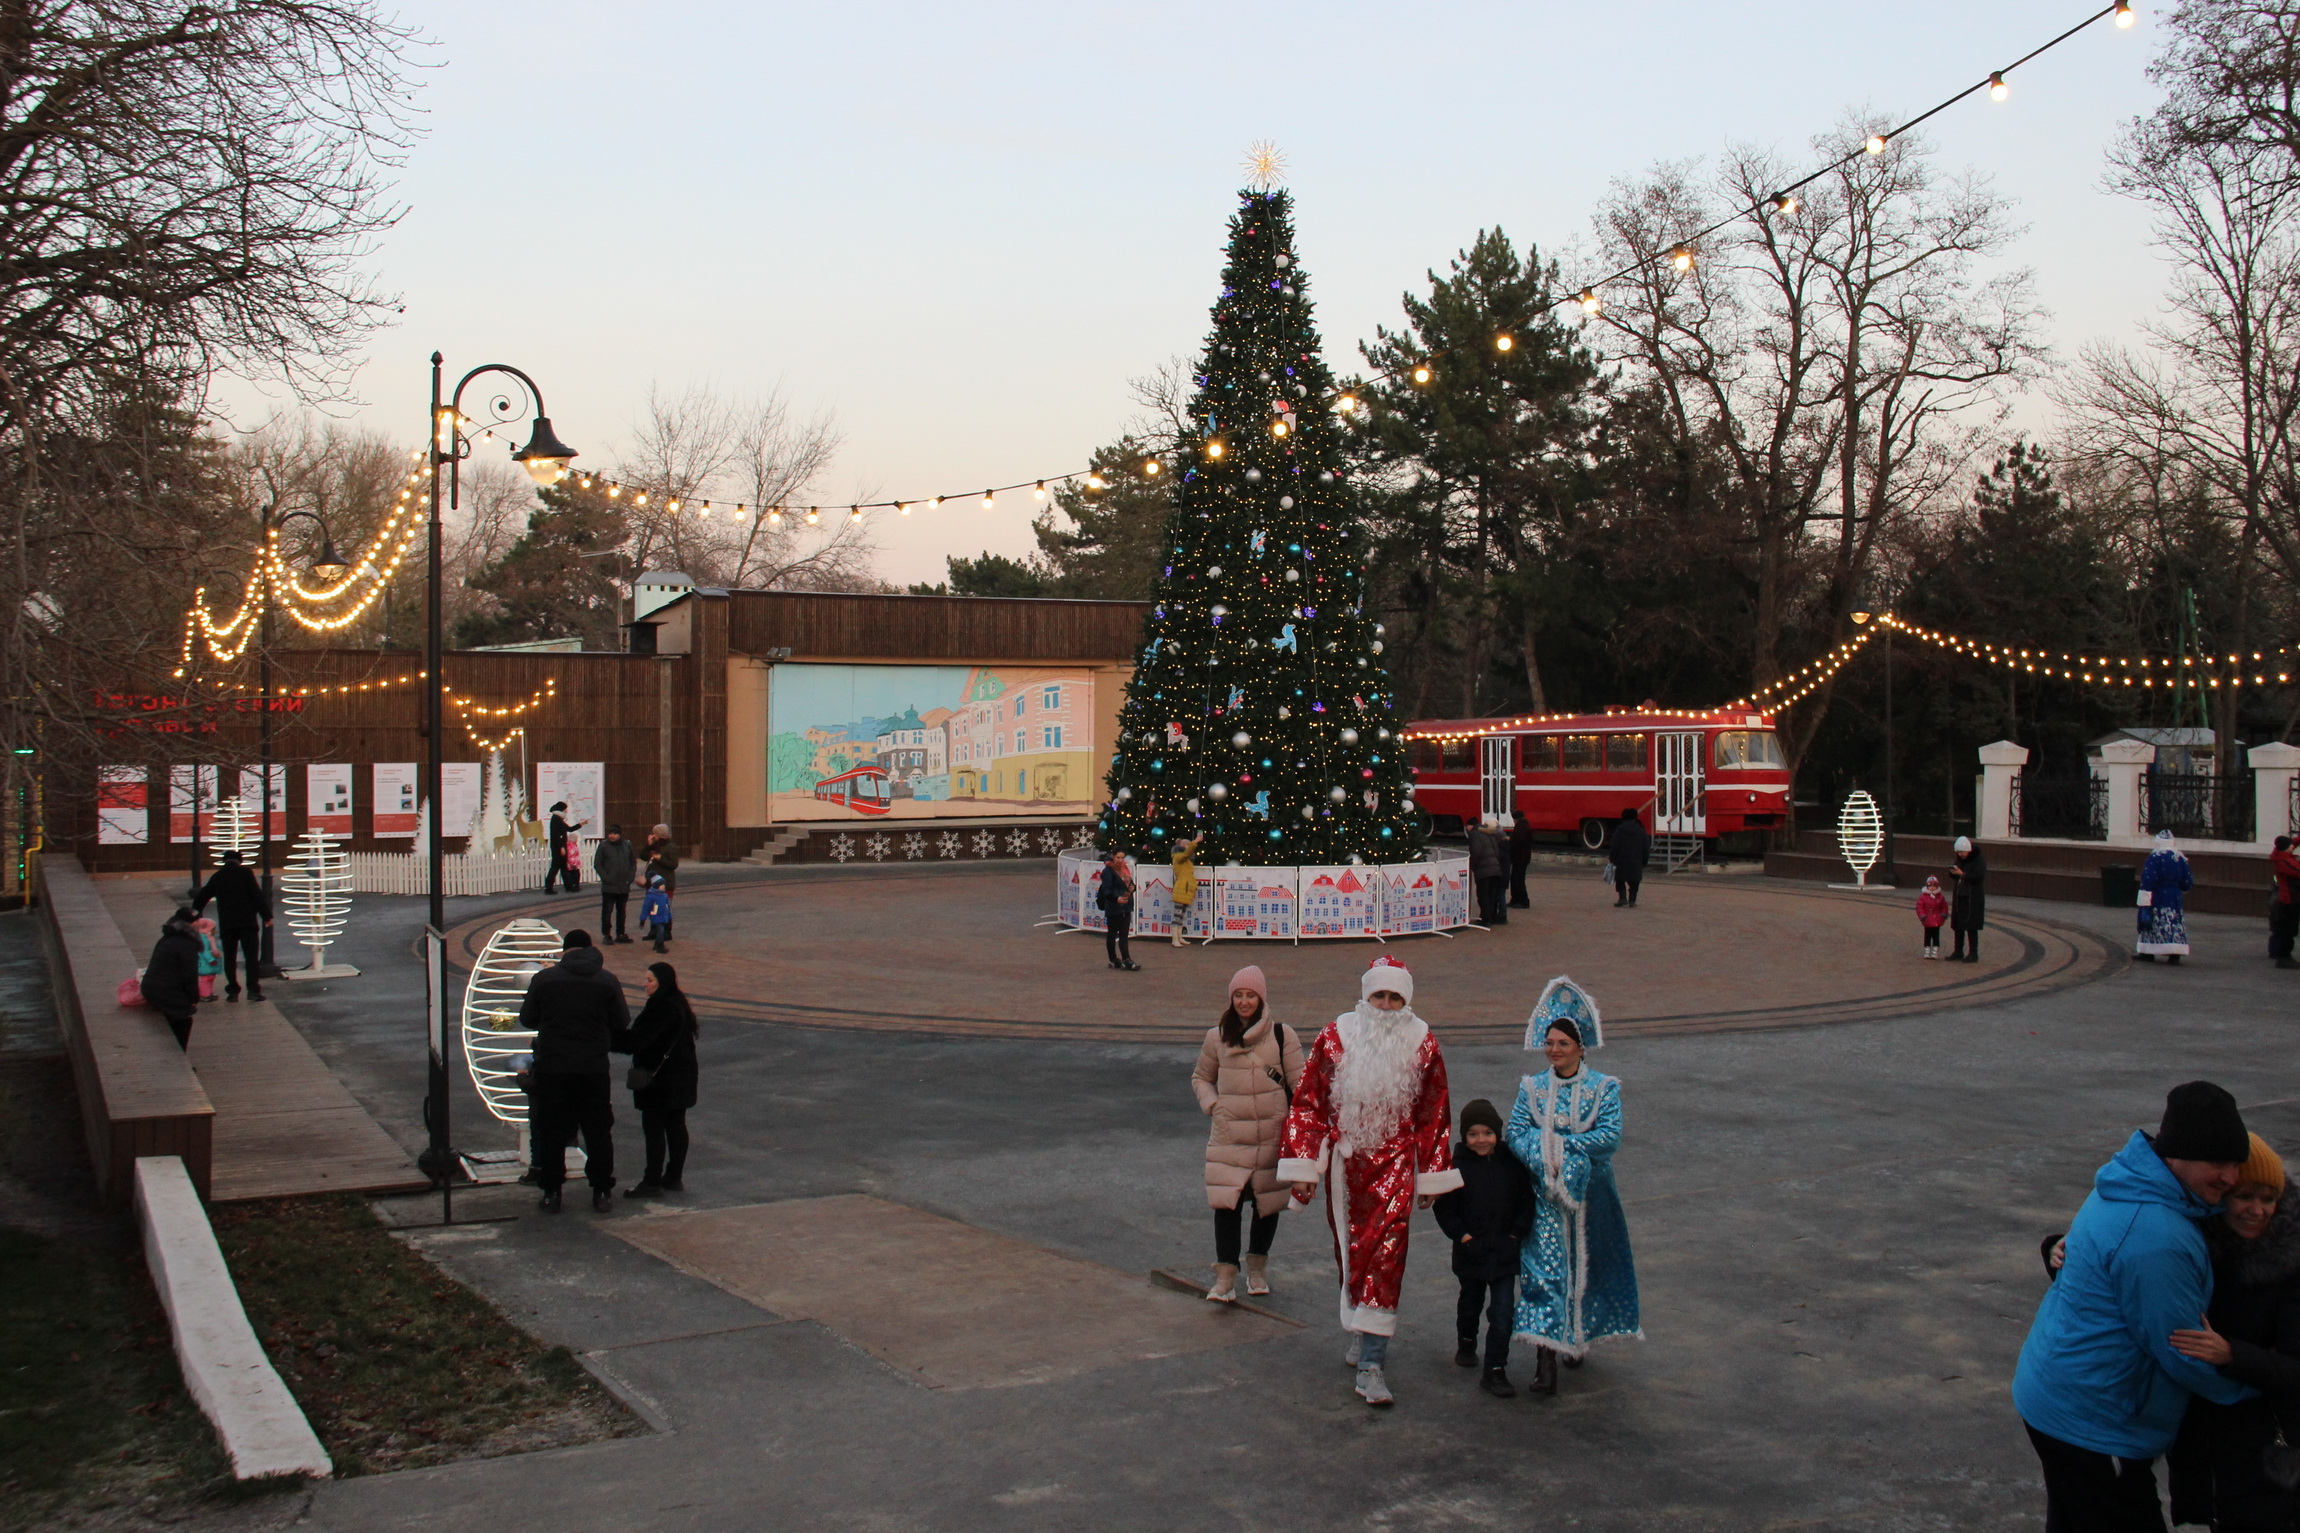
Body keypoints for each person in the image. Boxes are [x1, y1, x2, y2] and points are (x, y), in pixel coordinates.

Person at [2013, 1081, 2258, 1529]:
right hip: (2092, 1419)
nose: (2231, 1178)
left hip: (2057, 1392)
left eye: (2236, 1164)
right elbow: (2184, 1349)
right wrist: (2259, 1388)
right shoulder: (2156, 1236)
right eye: (2218, 1163)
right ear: (2177, 1156)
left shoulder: (2132, 1182)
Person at [1278, 955, 1462, 1409]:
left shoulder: (1423, 1044)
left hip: (1396, 1165)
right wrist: (1304, 1169)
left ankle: (1373, 1363)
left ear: (1406, 1000)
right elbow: (1308, 1105)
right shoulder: (1335, 1037)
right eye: (1378, 995)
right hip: (1345, 1167)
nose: (1385, 1005)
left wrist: (1430, 1177)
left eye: (1394, 997)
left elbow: (1434, 1113)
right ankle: (1363, 1326)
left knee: (1387, 1254)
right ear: (1365, 996)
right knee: (1352, 1252)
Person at [1507, 976, 1641, 1396]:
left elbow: (1609, 1137)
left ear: (1580, 1047)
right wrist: (1547, 1157)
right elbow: (1515, 1132)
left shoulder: (1605, 1088)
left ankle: (1578, 1338)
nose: (1554, 1050)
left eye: (1563, 1043)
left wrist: (1559, 1145)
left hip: (1593, 1199)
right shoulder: (1533, 1087)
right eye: (1550, 1043)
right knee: (1544, 1271)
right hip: (1545, 1196)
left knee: (1588, 1269)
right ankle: (1545, 1359)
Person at [2166, 1134, 2300, 1532]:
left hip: (2266, 1449)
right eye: (2245, 1197)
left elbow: (2296, 1370)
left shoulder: (2291, 1267)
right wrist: (2061, 1250)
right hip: (2208, 1442)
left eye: (2268, 1199)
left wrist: (2232, 1354)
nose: (2257, 1211)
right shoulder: (2193, 1243)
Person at [1192, 965, 1305, 1303]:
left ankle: (1257, 1267)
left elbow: (1301, 1088)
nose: (1244, 1001)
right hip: (1230, 1137)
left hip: (1271, 1135)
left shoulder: (1284, 1036)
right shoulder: (1216, 1037)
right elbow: (1201, 1077)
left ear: (1261, 998)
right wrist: (1214, 1106)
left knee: (1266, 1205)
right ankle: (1225, 1276)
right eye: (1238, 995)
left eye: (1250, 995)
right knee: (1226, 1205)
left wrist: (1297, 1127)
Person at [517, 929, 630, 1213]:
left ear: (565, 951)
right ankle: (602, 1190)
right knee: (598, 1130)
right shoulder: (607, 980)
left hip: (553, 1066)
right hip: (592, 1067)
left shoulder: (544, 980)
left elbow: (527, 1018)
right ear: (589, 950)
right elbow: (621, 1021)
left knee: (552, 1131)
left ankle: (552, 1191)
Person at [1432, 1098, 1535, 1399]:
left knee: (1503, 1313)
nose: (1481, 1140)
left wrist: (1516, 1235)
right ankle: (1466, 1340)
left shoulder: (1512, 1165)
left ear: (1498, 1134)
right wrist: (1463, 1237)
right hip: (1471, 1253)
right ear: (1464, 1137)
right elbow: (1445, 1209)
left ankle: (1495, 1370)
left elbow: (1526, 1202)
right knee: (1470, 1302)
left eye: (1487, 1133)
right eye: (1473, 1134)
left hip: (1504, 1253)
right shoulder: (1456, 1169)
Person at [616, 962, 699, 1198]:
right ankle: (673, 1177)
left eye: (649, 980)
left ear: (661, 982)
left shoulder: (661, 1007)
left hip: (659, 1080)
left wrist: (608, 1037)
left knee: (654, 1129)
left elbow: (638, 1040)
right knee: (676, 1125)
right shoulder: (678, 1003)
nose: (644, 984)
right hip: (681, 1076)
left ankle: (651, 1180)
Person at [192, 847, 271, 1000]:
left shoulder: (218, 876)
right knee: (251, 957)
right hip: (247, 923)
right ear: (239, 861)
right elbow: (257, 896)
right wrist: (266, 916)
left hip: (228, 924)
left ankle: (233, 991)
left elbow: (203, 896)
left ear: (224, 861)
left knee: (230, 957)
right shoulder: (246, 873)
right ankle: (253, 990)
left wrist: (195, 915)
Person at [140, 907, 204, 1050]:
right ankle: (179, 1057)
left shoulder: (168, 936)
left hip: (151, 987)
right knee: (184, 1021)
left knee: (176, 1017)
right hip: (165, 991)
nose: (200, 923)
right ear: (188, 924)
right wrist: (194, 999)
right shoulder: (187, 944)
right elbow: (189, 975)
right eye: (196, 921)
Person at [2138, 829, 2195, 965]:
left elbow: (2148, 879)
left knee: (2154, 921)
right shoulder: (2179, 857)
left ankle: (2148, 951)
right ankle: (2174, 953)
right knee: (2174, 921)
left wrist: (2144, 900)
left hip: (2158, 895)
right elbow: (2187, 882)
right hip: (2174, 896)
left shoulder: (2155, 857)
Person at [593, 824, 637, 945]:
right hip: (609, 885)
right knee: (607, 910)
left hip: (624, 884)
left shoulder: (627, 845)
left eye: (615, 833)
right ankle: (607, 934)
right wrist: (606, 878)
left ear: (620, 834)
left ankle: (621, 933)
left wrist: (630, 877)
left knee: (621, 910)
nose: (612, 836)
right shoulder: (603, 846)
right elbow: (597, 863)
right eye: (611, 833)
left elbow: (633, 862)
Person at [1097, 847, 1138, 970]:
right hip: (1114, 906)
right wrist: (1117, 899)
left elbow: (1130, 884)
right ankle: (1113, 959)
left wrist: (1133, 888)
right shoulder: (1108, 871)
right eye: (1118, 857)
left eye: (1122, 857)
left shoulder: (1125, 870)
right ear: (1113, 857)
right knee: (1112, 933)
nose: (1120, 860)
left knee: (1124, 934)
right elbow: (1106, 890)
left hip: (1125, 905)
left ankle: (1126, 959)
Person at [1948, 835, 1987, 963]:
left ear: (1968, 850)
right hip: (1960, 895)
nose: (1960, 854)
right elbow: (1956, 875)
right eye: (1958, 852)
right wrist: (1953, 873)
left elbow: (1978, 877)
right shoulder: (1960, 860)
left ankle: (1973, 953)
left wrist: (1962, 874)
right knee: (1958, 924)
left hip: (1972, 897)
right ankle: (1958, 951)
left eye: (1962, 852)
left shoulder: (1978, 860)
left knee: (1971, 925)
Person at [1467, 815, 1507, 925]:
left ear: (1471, 826)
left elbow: (1476, 851)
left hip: (1483, 870)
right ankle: (1491, 917)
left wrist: (1473, 866)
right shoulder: (1488, 832)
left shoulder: (1474, 834)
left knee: (1483, 895)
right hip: (1495, 869)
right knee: (1491, 895)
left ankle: (1485, 919)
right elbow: (1496, 850)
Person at [1608, 807, 1650, 908]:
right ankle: (1632, 900)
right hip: (1636, 861)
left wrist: (1612, 858)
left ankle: (1622, 898)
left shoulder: (1619, 830)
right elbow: (1646, 847)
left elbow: (1614, 846)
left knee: (1620, 880)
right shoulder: (1641, 831)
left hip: (1621, 860)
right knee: (1634, 882)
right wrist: (1644, 861)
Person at [2270, 835, 2300, 970]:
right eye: (2290, 846)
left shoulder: (2279, 855)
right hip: (2289, 900)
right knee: (2288, 930)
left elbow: (2290, 843)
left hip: (2288, 899)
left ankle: (2281, 955)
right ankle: (2283, 957)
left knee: (2285, 929)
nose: (2292, 847)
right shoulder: (2285, 862)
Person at [1170, 830, 1204, 947]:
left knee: (1181, 914)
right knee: (1177, 914)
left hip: (1186, 888)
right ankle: (1175, 938)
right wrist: (1195, 842)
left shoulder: (1185, 859)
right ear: (1183, 846)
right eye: (1188, 845)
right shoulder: (1179, 856)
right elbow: (1186, 854)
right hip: (1182, 888)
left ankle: (1179, 937)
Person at [544, 801, 587, 894]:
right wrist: (561, 847)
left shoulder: (558, 819)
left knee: (563, 868)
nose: (566, 811)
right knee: (555, 868)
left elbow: (569, 829)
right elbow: (556, 835)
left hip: (559, 847)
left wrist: (581, 824)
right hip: (558, 848)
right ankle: (549, 887)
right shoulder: (556, 819)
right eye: (565, 810)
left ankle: (568, 886)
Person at [1916, 875, 1949, 959]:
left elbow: (1944, 907)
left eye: (1934, 886)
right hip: (1927, 919)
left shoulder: (1940, 897)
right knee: (1927, 935)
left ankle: (1935, 951)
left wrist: (1943, 915)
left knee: (1936, 936)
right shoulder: (1923, 897)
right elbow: (1920, 907)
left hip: (1937, 919)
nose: (1932, 888)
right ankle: (1927, 950)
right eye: (1930, 886)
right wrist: (1923, 916)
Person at [1507, 812, 1536, 909]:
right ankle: (1516, 899)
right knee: (1517, 878)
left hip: (1520, 857)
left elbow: (1518, 842)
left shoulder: (1520, 827)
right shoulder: (1525, 825)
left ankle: (1522, 900)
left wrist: (1509, 844)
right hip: (1522, 857)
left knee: (1518, 879)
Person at [190, 916, 222, 1001]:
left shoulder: (209, 937)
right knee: (205, 979)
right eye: (213, 928)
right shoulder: (203, 938)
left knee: (210, 978)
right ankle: (204, 994)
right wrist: (211, 959)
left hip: (211, 963)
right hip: (206, 962)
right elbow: (204, 951)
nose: (214, 929)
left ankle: (209, 993)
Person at [641, 874, 672, 954]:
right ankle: (660, 945)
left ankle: (657, 944)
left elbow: (668, 907)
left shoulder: (664, 895)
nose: (663, 886)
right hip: (656, 917)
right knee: (660, 930)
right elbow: (646, 908)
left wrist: (670, 917)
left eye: (664, 885)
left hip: (664, 916)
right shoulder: (651, 896)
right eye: (661, 885)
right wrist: (643, 919)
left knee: (660, 930)